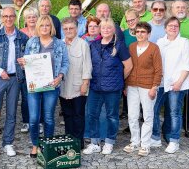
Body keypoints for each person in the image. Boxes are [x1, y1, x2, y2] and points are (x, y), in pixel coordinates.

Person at [0, 7, 29, 161]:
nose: (8, 19)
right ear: (1, 18)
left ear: (15, 17)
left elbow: (29, 58)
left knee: (11, 113)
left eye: (11, 16)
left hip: (15, 79)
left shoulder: (23, 37)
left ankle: (8, 143)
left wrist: (25, 63)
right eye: (5, 16)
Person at [20, 15, 69, 158]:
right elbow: (26, 62)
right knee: (34, 118)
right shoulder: (31, 42)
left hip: (51, 86)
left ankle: (47, 145)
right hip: (34, 86)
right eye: (42, 25)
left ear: (51, 27)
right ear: (38, 27)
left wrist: (60, 77)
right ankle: (35, 144)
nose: (44, 28)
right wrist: (23, 63)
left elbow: (65, 63)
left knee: (48, 118)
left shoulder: (59, 44)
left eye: (47, 25)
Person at [83, 18, 133, 155]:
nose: (106, 30)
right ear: (100, 29)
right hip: (95, 87)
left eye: (109, 27)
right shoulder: (93, 45)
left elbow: (128, 66)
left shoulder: (119, 45)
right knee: (92, 114)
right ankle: (94, 143)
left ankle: (109, 142)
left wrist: (119, 79)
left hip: (112, 89)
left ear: (113, 30)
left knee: (111, 115)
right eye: (103, 27)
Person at [152, 17, 189, 153]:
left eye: (176, 26)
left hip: (177, 84)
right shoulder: (160, 42)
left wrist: (179, 82)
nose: (173, 28)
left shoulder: (184, 42)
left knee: (174, 113)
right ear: (165, 28)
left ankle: (174, 141)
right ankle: (156, 137)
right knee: (153, 110)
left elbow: (188, 65)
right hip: (161, 83)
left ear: (179, 29)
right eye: (170, 26)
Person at [124, 22, 162, 156]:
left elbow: (158, 70)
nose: (140, 34)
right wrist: (126, 85)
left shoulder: (154, 48)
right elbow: (128, 67)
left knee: (147, 116)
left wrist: (154, 87)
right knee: (132, 116)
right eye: (138, 31)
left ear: (148, 34)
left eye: (143, 32)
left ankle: (145, 144)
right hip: (132, 86)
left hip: (148, 86)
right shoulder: (131, 47)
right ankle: (135, 141)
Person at [60, 17, 92, 150]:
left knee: (78, 115)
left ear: (77, 29)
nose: (68, 31)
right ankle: (69, 140)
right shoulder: (60, 44)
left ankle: (78, 143)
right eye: (66, 29)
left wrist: (85, 83)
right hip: (63, 87)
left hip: (79, 86)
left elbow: (87, 65)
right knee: (67, 116)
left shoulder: (83, 44)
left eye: (71, 28)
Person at [170, 0, 189, 137]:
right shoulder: (169, 24)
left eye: (183, 7)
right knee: (171, 100)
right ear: (172, 9)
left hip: (188, 67)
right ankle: (169, 127)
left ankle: (188, 127)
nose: (180, 9)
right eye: (177, 7)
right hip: (172, 68)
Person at [19, 6, 39, 133]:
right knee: (25, 97)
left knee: (39, 96)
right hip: (24, 70)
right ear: (25, 19)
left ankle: (40, 122)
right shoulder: (20, 32)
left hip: (39, 71)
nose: (31, 19)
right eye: (29, 17)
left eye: (34, 16)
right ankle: (26, 121)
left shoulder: (42, 31)